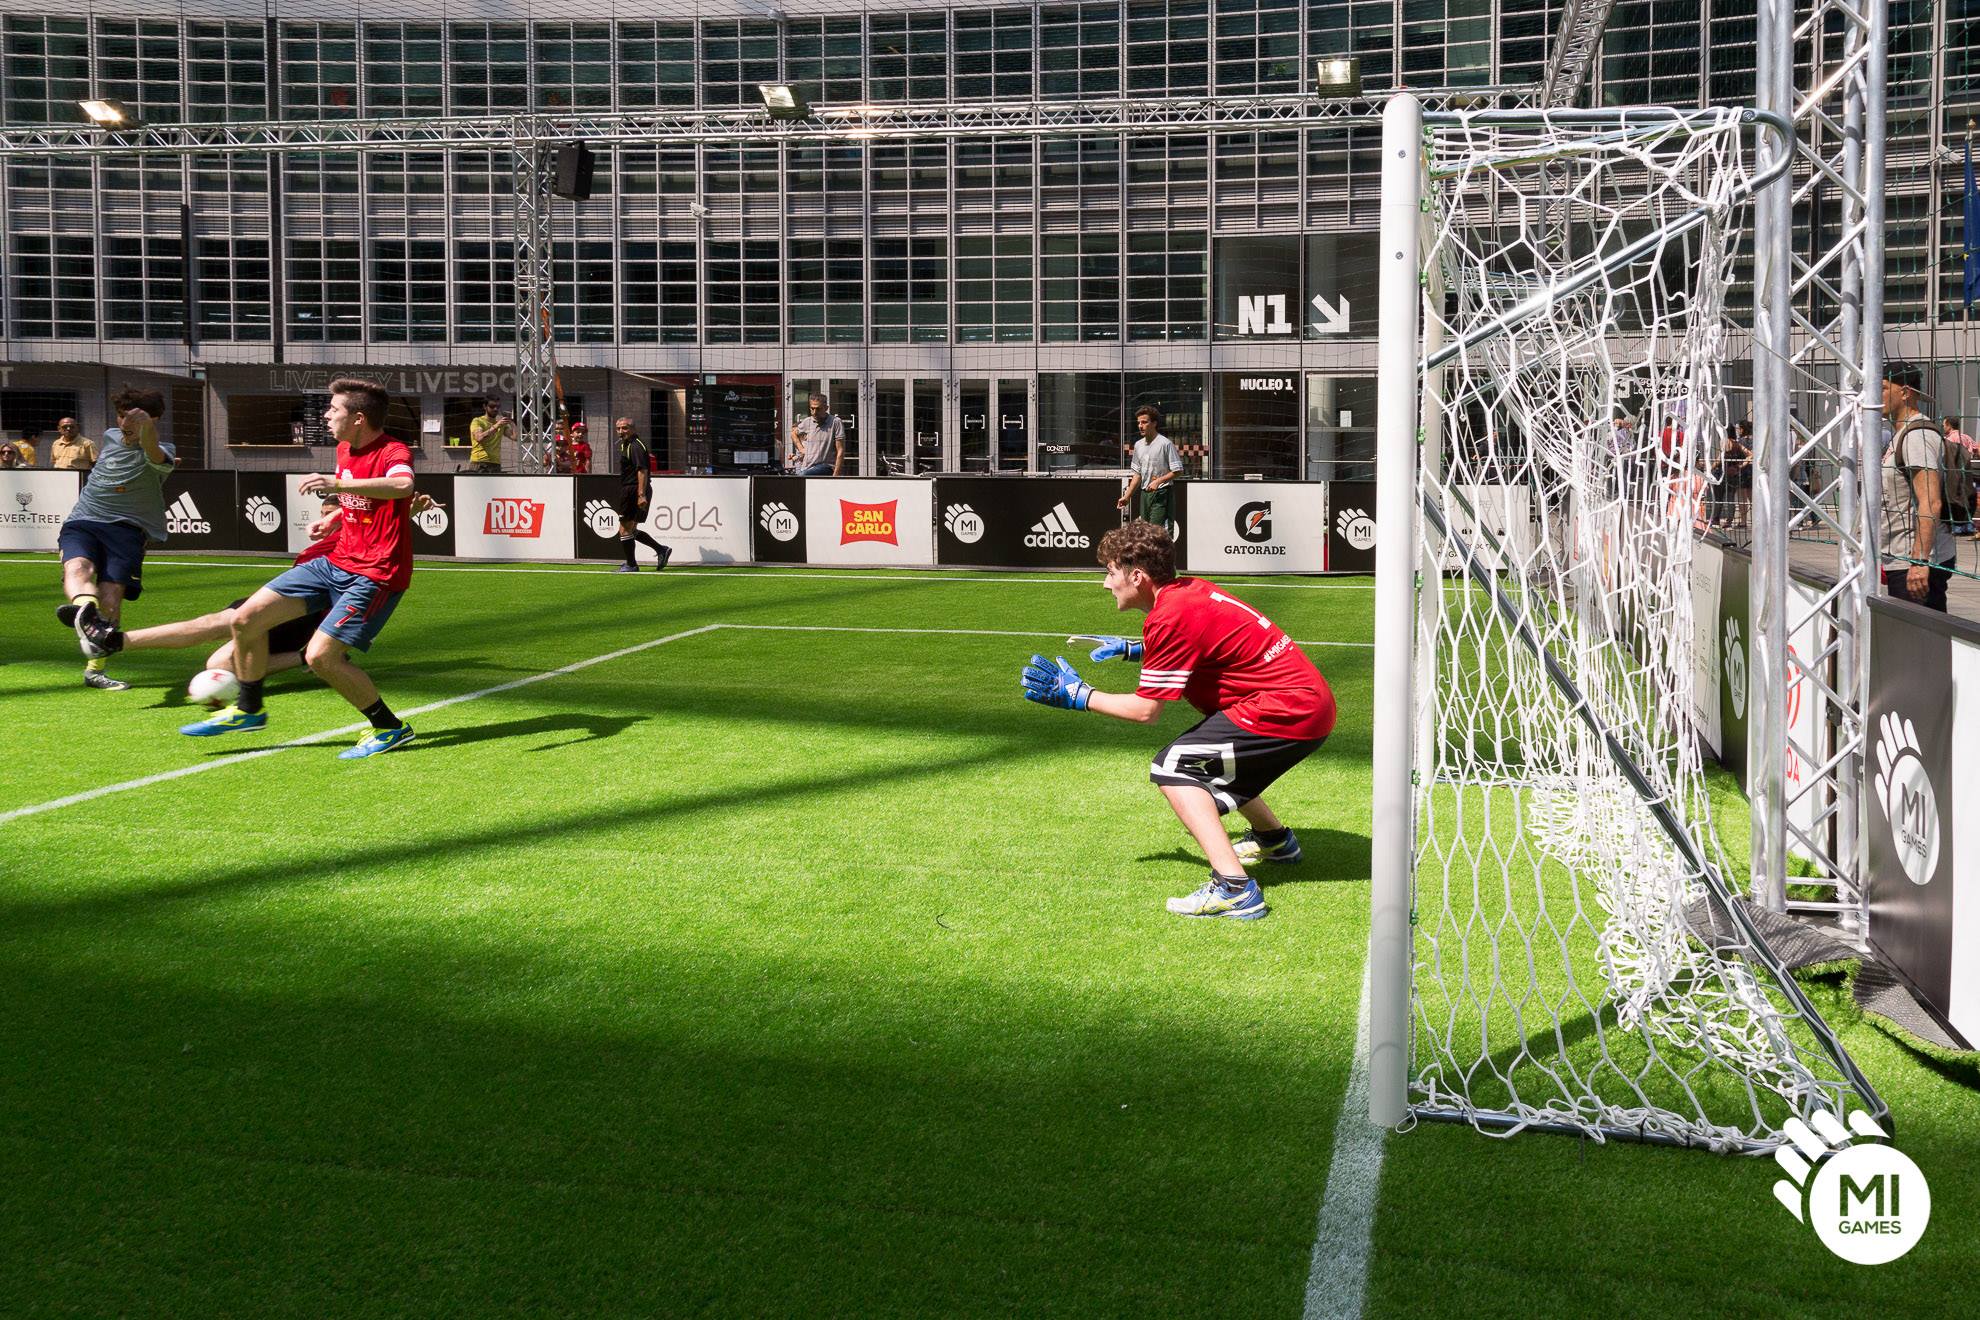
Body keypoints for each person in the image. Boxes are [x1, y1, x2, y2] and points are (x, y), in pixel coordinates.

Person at [1018, 520, 1336, 921]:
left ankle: (1236, 890)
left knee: (1173, 766)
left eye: (1110, 572)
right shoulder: (1189, 591)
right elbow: (1200, 643)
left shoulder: (1169, 616)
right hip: (1303, 704)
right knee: (1210, 757)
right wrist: (1135, 649)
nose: (1105, 583)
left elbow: (1145, 711)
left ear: (1137, 575)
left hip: (1286, 710)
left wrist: (1080, 696)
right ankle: (1276, 842)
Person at [122, 378, 417, 757]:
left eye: (333, 409)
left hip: (377, 573)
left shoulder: (393, 451)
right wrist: (336, 518)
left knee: (320, 658)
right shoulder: (344, 448)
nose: (326, 415)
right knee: (245, 619)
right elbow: (363, 497)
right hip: (335, 561)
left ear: (359, 418)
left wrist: (337, 484)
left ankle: (390, 728)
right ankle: (248, 708)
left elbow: (401, 486)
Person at [75, 493, 441, 684]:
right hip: (281, 600)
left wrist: (411, 508)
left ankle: (112, 640)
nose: (325, 519)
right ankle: (115, 641)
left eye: (333, 512)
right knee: (217, 635)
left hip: (306, 612)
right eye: (325, 512)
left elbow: (390, 522)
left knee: (215, 663)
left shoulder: (361, 531)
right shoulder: (320, 543)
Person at [56, 387, 173, 692]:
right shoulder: (108, 437)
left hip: (127, 530)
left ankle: (95, 670)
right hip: (83, 520)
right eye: (121, 416)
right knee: (77, 567)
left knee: (111, 598)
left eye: (133, 419)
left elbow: (151, 448)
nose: (124, 424)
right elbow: (122, 430)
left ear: (153, 420)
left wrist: (145, 425)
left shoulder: (162, 451)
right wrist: (133, 421)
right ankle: (85, 613)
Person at [1878, 362, 1956, 612]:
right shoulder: (1900, 434)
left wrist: (1920, 561)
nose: (1875, 395)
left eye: (1883, 388)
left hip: (1916, 565)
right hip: (1901, 558)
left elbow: (1931, 501)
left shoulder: (1917, 436)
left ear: (1905, 392)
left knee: (1916, 648)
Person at [612, 417, 672, 572]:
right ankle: (661, 550)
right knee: (631, 530)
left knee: (624, 529)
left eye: (624, 428)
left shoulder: (635, 446)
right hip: (633, 489)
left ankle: (631, 565)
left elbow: (642, 470)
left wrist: (641, 494)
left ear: (633, 429)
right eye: (618, 428)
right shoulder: (626, 445)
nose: (621, 431)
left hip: (634, 490)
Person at [1118, 406, 1183, 536]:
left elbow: (1178, 470)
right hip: (1145, 494)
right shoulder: (1138, 445)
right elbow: (1137, 475)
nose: (1140, 426)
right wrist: (1127, 497)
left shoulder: (1165, 444)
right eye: (1139, 423)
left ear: (1154, 423)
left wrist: (1158, 481)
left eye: (1144, 422)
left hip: (1162, 493)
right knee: (1145, 533)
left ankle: (1162, 556)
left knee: (1157, 533)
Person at [789, 393, 845, 476]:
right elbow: (793, 433)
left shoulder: (835, 422)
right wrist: (801, 448)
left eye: (818, 409)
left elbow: (840, 450)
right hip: (807, 467)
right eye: (812, 409)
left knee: (801, 477)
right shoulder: (807, 421)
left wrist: (836, 475)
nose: (814, 412)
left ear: (826, 408)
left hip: (827, 467)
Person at [1943, 414, 1977, 536]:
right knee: (1967, 497)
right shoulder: (1966, 437)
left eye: (1943, 425)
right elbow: (1976, 448)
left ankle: (1956, 526)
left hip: (1954, 473)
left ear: (1948, 425)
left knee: (1954, 499)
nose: (1943, 427)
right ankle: (1968, 525)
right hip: (1967, 472)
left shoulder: (1949, 440)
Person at [468, 397, 512, 473]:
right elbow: (479, 437)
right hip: (479, 462)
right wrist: (496, 425)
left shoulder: (501, 424)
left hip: (495, 463)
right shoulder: (478, 421)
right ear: (485, 407)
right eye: (492, 406)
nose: (495, 409)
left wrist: (511, 421)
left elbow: (516, 437)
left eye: (498, 407)